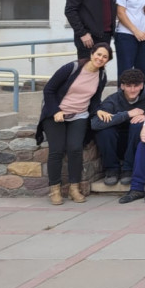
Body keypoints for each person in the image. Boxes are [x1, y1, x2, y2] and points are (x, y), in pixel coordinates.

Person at [37, 44, 111, 205]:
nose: (100, 58)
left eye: (105, 57)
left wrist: (98, 111)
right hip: (56, 114)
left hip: (79, 115)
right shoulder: (72, 68)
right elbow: (48, 90)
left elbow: (95, 100)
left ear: (107, 60)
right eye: (98, 54)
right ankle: (55, 190)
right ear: (92, 54)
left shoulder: (102, 76)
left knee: (75, 148)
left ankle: (74, 189)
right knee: (56, 150)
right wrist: (56, 110)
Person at [92, 68, 145, 186]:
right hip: (115, 142)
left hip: (135, 142)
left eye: (136, 86)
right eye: (129, 86)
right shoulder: (112, 100)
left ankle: (128, 169)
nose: (132, 89)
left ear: (141, 86)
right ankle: (112, 169)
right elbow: (95, 124)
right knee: (105, 131)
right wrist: (128, 114)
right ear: (122, 86)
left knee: (138, 125)